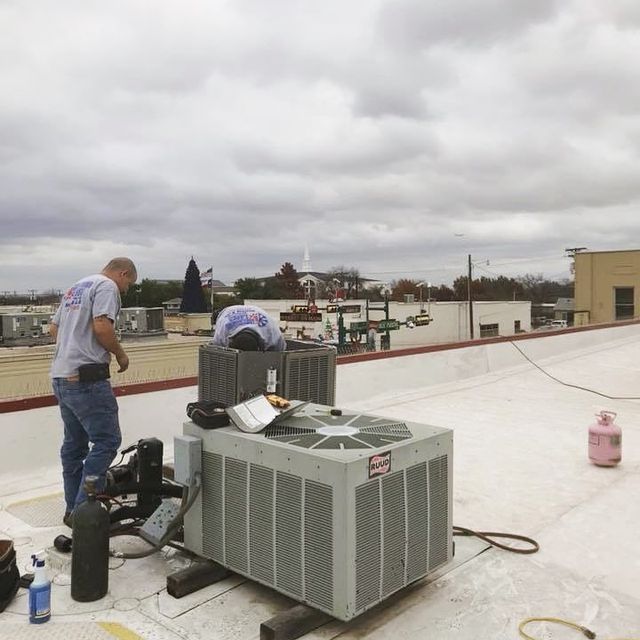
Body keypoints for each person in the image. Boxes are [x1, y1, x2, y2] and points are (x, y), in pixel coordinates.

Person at [50, 257, 137, 526]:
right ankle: (84, 513)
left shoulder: (76, 287)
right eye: (128, 285)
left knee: (74, 447)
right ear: (122, 274)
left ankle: (72, 511)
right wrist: (120, 354)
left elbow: (54, 329)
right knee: (107, 441)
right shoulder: (107, 287)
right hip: (87, 379)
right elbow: (102, 326)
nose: (125, 290)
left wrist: (76, 344)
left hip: (62, 376)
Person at [212, 304, 286, 351]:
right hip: (229, 312)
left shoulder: (271, 332)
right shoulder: (223, 328)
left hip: (256, 311)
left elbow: (280, 352)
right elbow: (217, 350)